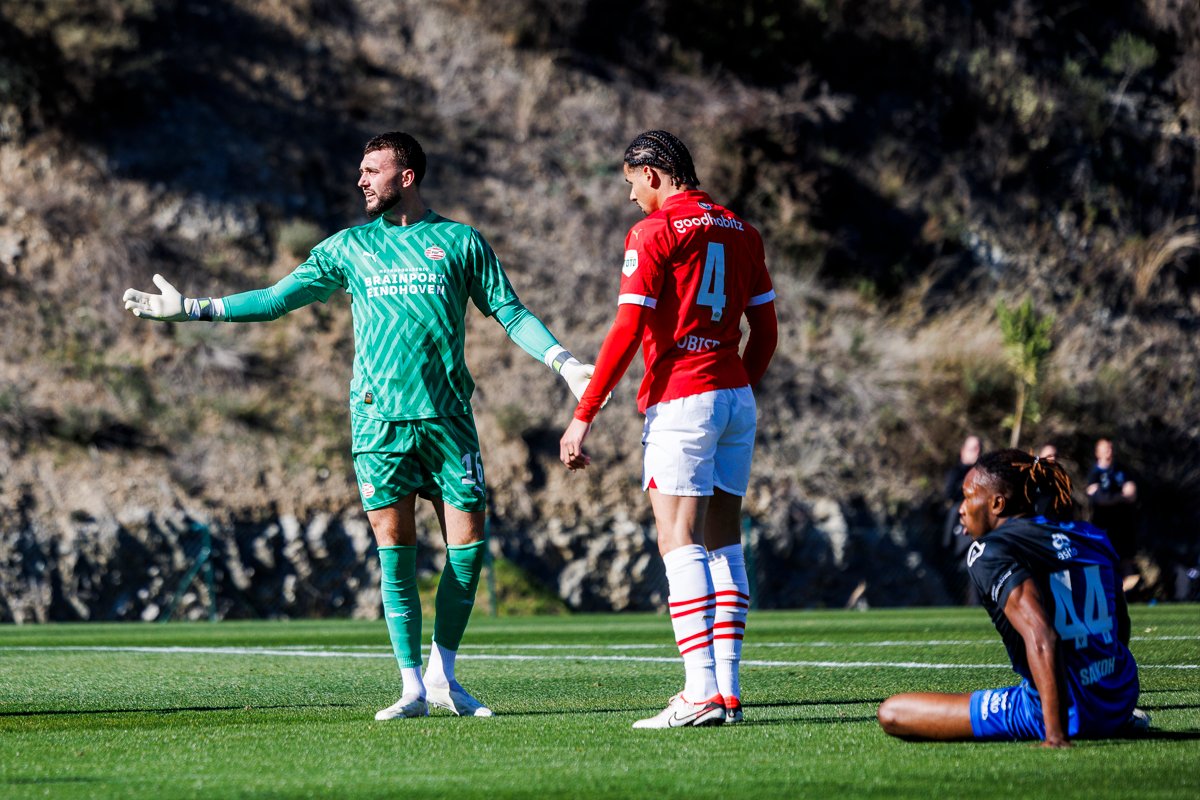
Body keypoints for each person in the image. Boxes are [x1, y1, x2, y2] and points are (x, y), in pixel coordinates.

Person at [123, 131, 594, 721]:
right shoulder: (348, 247)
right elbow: (274, 300)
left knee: (469, 550)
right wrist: (194, 308)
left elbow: (510, 311)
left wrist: (565, 363)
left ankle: (443, 675)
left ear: (407, 177)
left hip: (449, 419)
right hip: (378, 425)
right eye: (361, 170)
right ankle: (411, 687)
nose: (361, 180)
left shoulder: (459, 241)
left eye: (374, 170)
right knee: (394, 553)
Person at [558, 130, 778, 728]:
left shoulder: (653, 233)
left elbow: (626, 331)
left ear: (653, 173)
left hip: (683, 399)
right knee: (724, 541)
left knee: (678, 540)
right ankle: (727, 691)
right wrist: (737, 384)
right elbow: (767, 330)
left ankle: (699, 691)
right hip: (735, 396)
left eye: (631, 181)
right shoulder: (743, 229)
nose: (630, 196)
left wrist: (584, 415)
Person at [877, 449, 1144, 747]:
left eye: (968, 497)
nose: (962, 509)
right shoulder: (1092, 535)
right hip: (1118, 696)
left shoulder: (989, 550)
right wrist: (1103, 690)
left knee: (893, 712)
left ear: (997, 503)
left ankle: (1060, 724)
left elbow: (1042, 635)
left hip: (1060, 711)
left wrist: (1055, 735)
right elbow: (1120, 624)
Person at [1086, 438, 1139, 581]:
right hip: (1102, 524)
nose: (1109, 451)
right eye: (1105, 449)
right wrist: (1120, 496)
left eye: (1110, 448)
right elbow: (1099, 499)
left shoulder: (1122, 470)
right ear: (1098, 453)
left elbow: (1132, 494)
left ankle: (1128, 594)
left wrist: (1109, 497)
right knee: (1104, 558)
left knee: (1126, 560)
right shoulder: (1094, 473)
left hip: (1123, 523)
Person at [939, 435, 981, 604]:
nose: (976, 452)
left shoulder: (983, 472)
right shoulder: (956, 473)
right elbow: (949, 494)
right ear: (963, 451)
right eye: (972, 448)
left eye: (978, 448)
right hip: (962, 530)